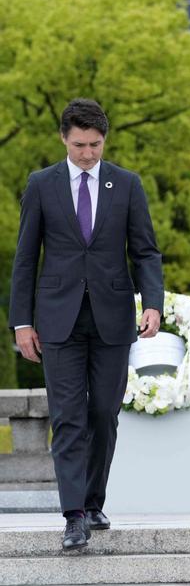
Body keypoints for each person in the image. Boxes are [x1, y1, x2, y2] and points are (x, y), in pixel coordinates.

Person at [9, 99, 163, 551]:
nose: (87, 154)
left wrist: (152, 302)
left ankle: (94, 500)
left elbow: (146, 252)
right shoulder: (41, 185)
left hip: (114, 320)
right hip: (57, 321)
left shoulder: (127, 185)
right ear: (64, 138)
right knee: (68, 417)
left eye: (95, 145)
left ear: (104, 139)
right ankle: (74, 515)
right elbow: (25, 258)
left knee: (103, 415)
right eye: (79, 145)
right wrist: (21, 322)